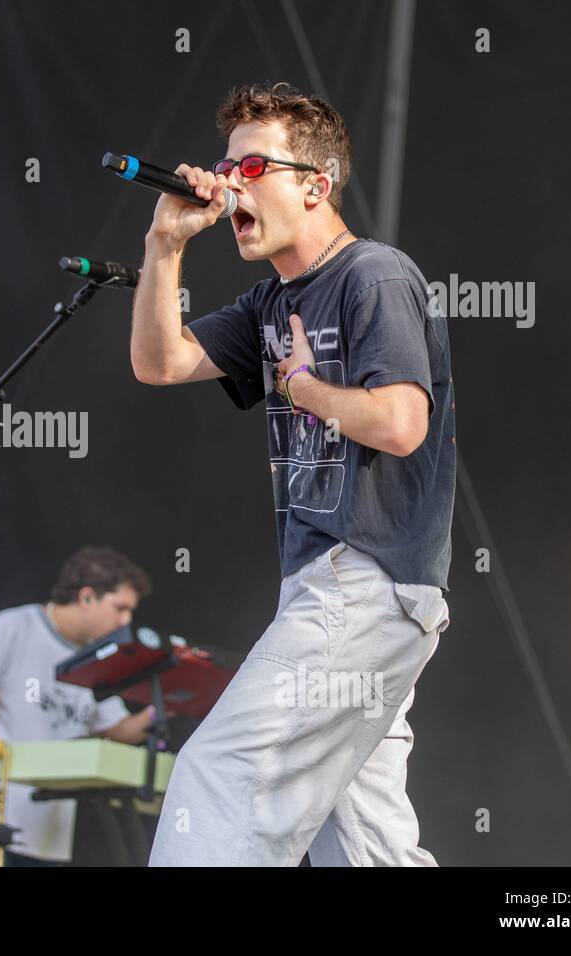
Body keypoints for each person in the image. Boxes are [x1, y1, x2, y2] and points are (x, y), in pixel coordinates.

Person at [131, 83, 455, 866]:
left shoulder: (372, 275)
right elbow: (159, 361)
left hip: (363, 583)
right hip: (333, 590)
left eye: (251, 165)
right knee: (367, 842)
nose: (230, 180)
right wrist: (165, 245)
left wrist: (301, 386)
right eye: (225, 165)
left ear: (315, 184)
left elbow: (403, 424)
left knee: (218, 783)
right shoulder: (269, 302)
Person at [0, 546, 156, 866]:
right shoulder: (12, 628)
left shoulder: (100, 660)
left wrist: (173, 701)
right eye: (120, 608)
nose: (126, 621)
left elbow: (119, 730)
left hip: (46, 840)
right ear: (87, 597)